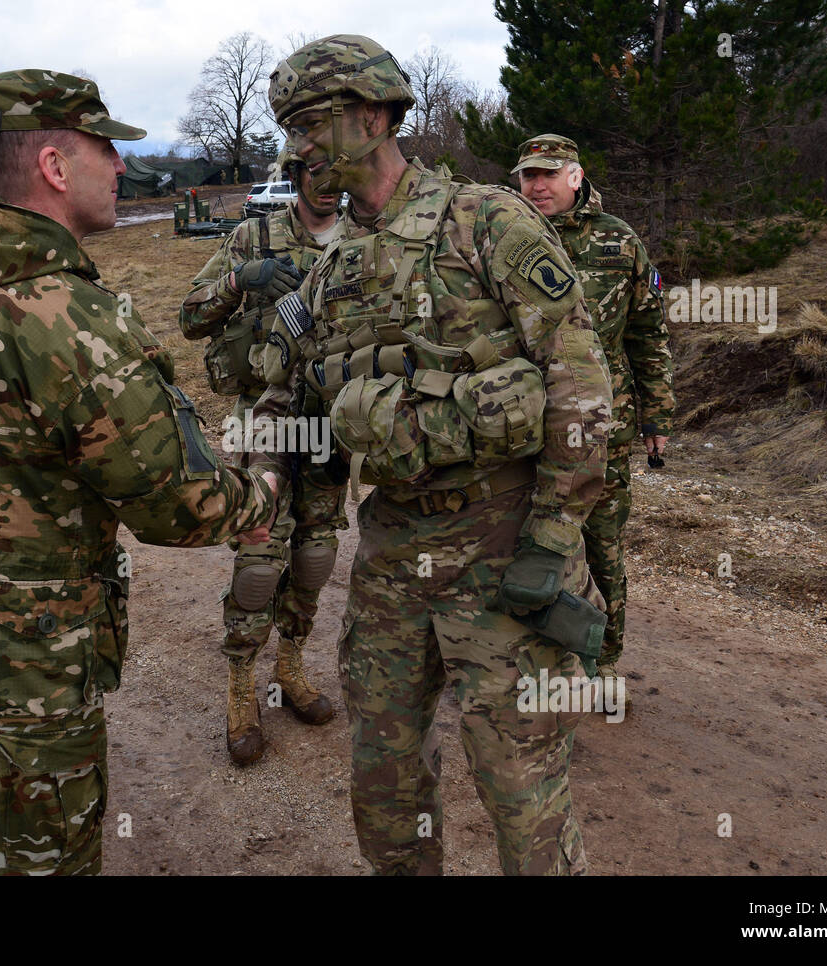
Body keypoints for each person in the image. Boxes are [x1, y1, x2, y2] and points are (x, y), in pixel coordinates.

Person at [0, 69, 278, 876]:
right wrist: (259, 496)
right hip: (26, 675)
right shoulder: (65, 314)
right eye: (106, 149)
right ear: (54, 165)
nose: (120, 168)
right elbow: (173, 505)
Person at [252, 35, 614, 874]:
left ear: (375, 116)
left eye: (311, 122)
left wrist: (556, 539)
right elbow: (283, 392)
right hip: (392, 560)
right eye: (290, 126)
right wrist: (261, 476)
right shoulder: (331, 266)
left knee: (521, 791)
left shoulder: (486, 221)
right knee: (383, 785)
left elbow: (583, 388)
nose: (297, 145)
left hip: (506, 549)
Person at [179, 143, 345, 765]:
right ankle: (240, 687)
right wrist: (237, 280)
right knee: (258, 558)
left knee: (316, 553)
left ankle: (292, 668)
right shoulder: (254, 236)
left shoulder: (362, 240)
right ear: (297, 175)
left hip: (328, 422)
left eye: (336, 170)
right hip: (263, 421)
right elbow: (189, 317)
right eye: (315, 171)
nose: (327, 183)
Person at [513, 134, 675, 698]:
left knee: (601, 544)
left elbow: (648, 334)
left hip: (601, 428)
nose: (536, 185)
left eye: (548, 175)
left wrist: (657, 419)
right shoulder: (502, 238)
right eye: (528, 175)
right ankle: (528, 661)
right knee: (524, 542)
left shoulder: (619, 242)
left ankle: (603, 663)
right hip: (520, 426)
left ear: (575, 177)